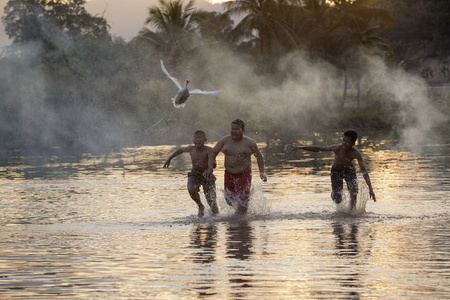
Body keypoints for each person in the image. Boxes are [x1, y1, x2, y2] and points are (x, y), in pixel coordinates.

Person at [285, 130, 376, 210]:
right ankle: (334, 195)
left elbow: (364, 171)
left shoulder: (355, 153)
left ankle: (352, 212)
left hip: (349, 169)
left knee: (353, 192)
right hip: (336, 170)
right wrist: (299, 147)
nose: (344, 143)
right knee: (338, 199)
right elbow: (318, 148)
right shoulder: (337, 148)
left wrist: (370, 189)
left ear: (353, 144)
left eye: (347, 142)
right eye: (343, 140)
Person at [204, 119, 267, 215]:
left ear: (243, 130)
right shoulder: (225, 140)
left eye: (237, 129)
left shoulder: (250, 142)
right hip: (229, 174)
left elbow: (259, 156)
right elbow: (213, 152)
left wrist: (261, 172)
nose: (234, 131)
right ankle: (240, 216)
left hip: (244, 174)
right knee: (228, 200)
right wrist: (210, 167)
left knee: (242, 200)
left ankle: (242, 221)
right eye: (232, 129)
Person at [163, 130, 219, 218]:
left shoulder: (209, 150)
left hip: (207, 175)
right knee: (191, 188)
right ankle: (200, 206)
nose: (197, 140)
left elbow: (213, 163)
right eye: (195, 138)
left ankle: (216, 218)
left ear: (205, 140)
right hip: (195, 174)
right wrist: (169, 158)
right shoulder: (191, 149)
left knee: (211, 201)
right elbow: (180, 150)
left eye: (200, 138)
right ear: (193, 140)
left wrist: (209, 168)